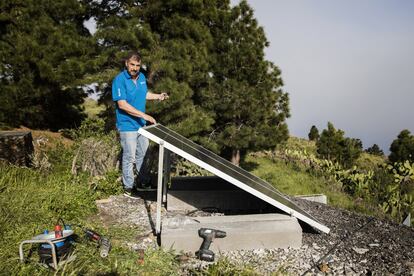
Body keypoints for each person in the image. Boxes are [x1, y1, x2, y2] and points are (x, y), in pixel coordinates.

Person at [112, 51, 168, 197]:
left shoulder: (141, 77)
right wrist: (145, 115)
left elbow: (143, 94)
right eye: (132, 65)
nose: (135, 68)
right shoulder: (119, 80)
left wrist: (158, 96)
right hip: (127, 125)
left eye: (137, 65)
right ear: (126, 64)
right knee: (129, 156)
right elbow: (122, 104)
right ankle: (128, 187)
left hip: (140, 125)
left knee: (144, 154)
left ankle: (143, 183)